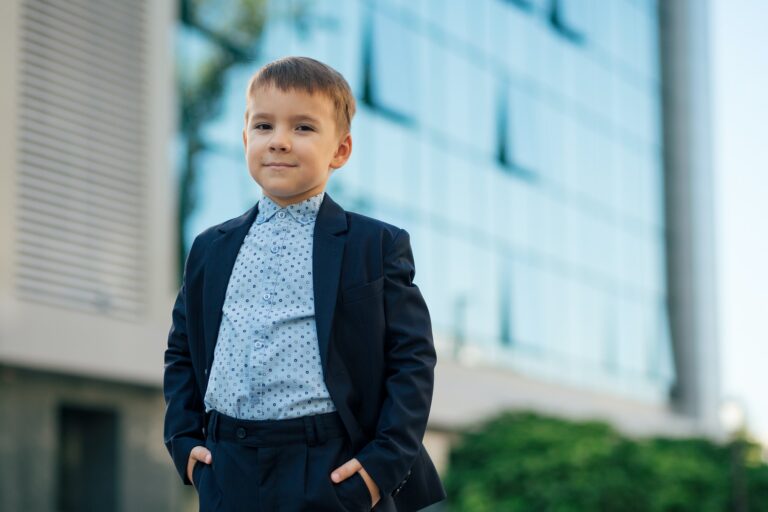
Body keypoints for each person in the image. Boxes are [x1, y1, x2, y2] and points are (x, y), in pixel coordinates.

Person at [163, 56, 446, 512]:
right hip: (227, 464)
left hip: (330, 465)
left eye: (303, 128)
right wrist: (182, 440)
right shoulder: (209, 248)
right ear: (244, 139)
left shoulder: (375, 245)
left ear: (341, 150)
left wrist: (379, 468)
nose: (279, 142)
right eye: (263, 126)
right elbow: (180, 350)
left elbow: (411, 361)